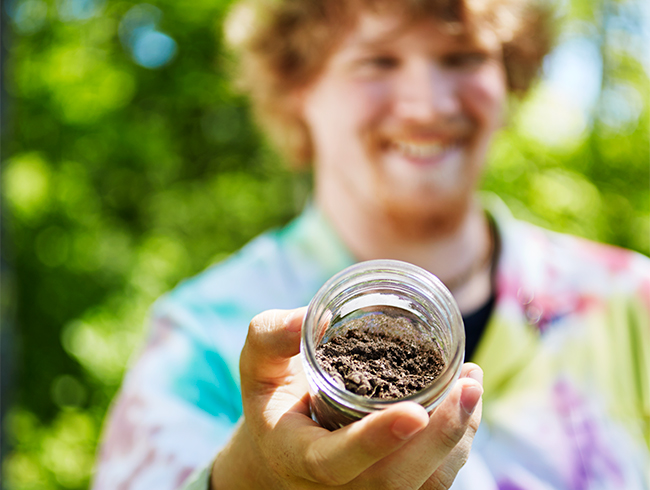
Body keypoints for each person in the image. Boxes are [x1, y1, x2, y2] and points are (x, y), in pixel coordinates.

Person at [92, 0, 650, 488]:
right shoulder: (202, 337)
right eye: (377, 61)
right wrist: (250, 479)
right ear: (297, 88)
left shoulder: (630, 303)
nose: (427, 105)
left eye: (464, 58)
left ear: (509, 76)